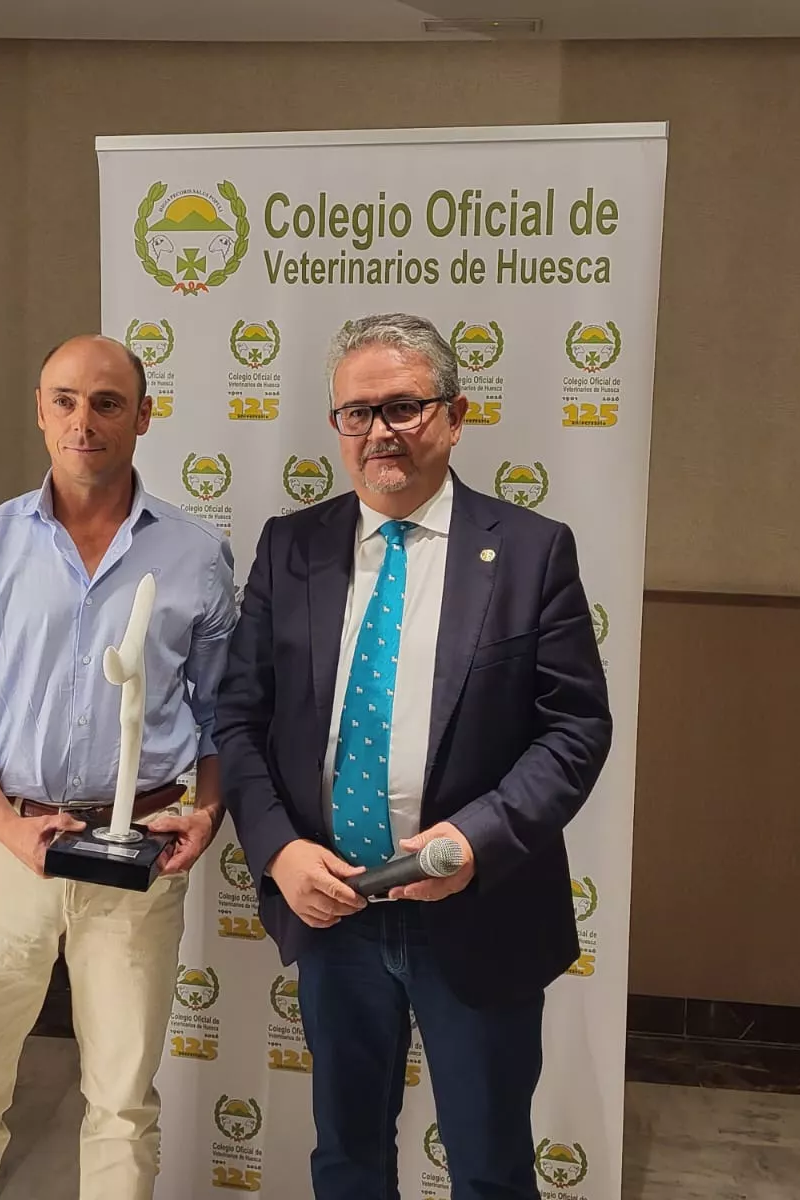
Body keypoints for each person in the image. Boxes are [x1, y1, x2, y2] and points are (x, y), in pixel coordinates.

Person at [214, 313, 613, 1200]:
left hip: (478, 913)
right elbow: (239, 720)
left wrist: (473, 843)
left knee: (489, 1165)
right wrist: (279, 852)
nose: (379, 431)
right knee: (348, 1158)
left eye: (403, 406)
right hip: (333, 912)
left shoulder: (529, 552)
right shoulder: (294, 548)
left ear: (455, 416)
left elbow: (575, 731)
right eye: (357, 413)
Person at [0, 334, 237, 1200]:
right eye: (64, 400)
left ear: (144, 416)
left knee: (122, 1105)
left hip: (140, 857)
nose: (82, 421)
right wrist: (9, 828)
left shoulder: (197, 558)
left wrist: (206, 812)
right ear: (40, 409)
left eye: (107, 402)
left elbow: (222, 716)